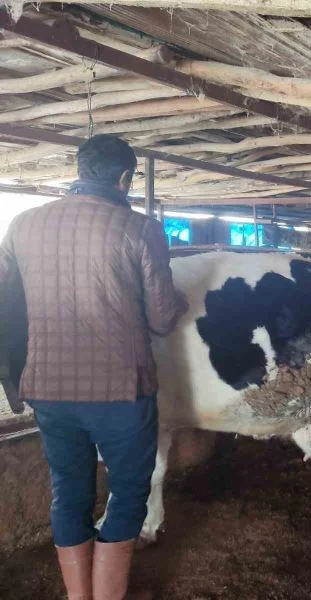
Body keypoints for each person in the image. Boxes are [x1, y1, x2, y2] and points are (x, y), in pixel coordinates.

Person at [0, 135, 187, 599]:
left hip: (47, 388)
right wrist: (181, 299)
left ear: (79, 170)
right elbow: (162, 318)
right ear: (125, 178)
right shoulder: (140, 229)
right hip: (119, 393)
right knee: (126, 493)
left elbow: (7, 305)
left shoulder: (21, 225)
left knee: (69, 493)